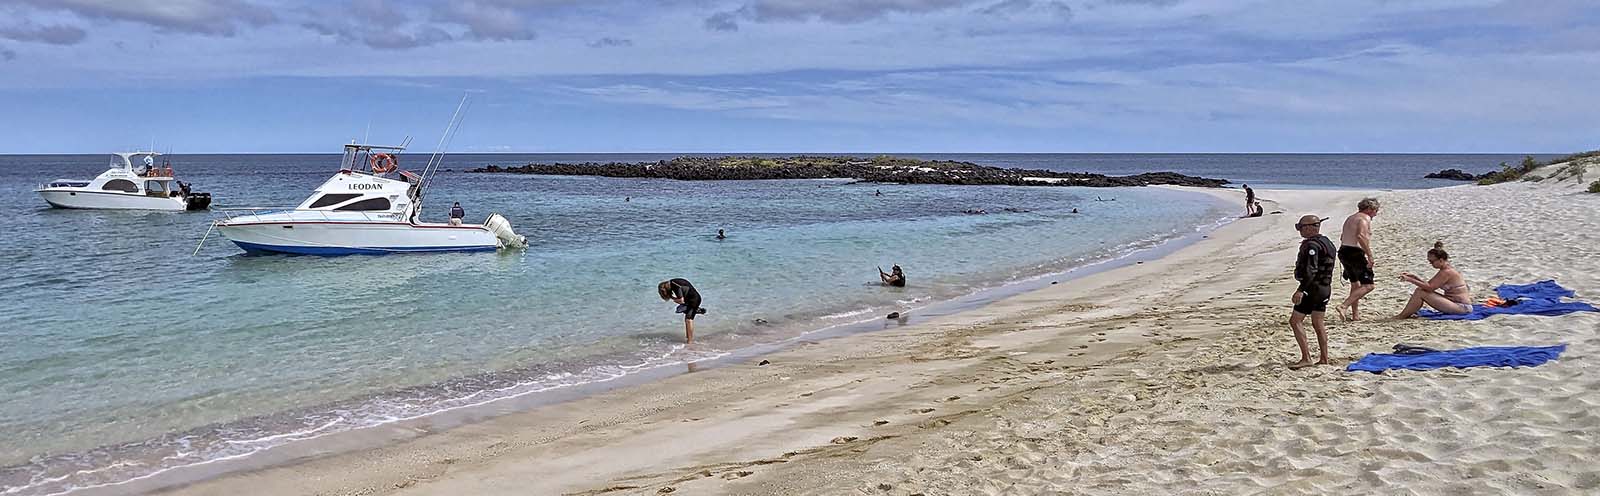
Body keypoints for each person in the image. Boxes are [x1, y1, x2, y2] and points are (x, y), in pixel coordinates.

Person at [1288, 215, 1336, 369]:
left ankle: (1306, 358)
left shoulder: (1311, 246)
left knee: (1295, 321)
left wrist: (1301, 290)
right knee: (1318, 323)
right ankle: (1324, 358)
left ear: (1309, 227)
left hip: (1312, 289)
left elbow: (1311, 270)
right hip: (1325, 288)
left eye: (1300, 227)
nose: (1299, 230)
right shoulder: (1327, 242)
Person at [1394, 242, 1472, 318]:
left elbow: (1430, 288)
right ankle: (1405, 314)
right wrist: (1415, 277)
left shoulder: (1446, 272)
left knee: (1420, 292)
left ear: (1441, 260)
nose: (1431, 264)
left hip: (1462, 307)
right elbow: (1428, 285)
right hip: (1454, 302)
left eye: (1432, 262)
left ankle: (1402, 316)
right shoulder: (1445, 270)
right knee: (1420, 290)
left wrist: (1410, 280)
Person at [1335, 198, 1380, 321]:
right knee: (1369, 285)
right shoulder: (1364, 218)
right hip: (1354, 253)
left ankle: (1355, 315)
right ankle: (1343, 306)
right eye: (1376, 211)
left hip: (1344, 251)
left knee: (1356, 285)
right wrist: (1369, 255)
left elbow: (1342, 237)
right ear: (1369, 209)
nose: (1376, 214)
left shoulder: (1351, 218)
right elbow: (1360, 236)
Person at [658, 278, 706, 343]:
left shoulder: (674, 285)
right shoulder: (673, 283)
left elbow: (681, 300)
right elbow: (682, 296)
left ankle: (690, 341)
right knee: (681, 311)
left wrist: (673, 299)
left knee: (688, 320)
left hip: (694, 300)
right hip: (690, 300)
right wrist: (672, 297)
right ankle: (688, 337)